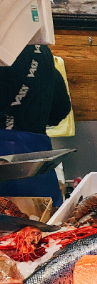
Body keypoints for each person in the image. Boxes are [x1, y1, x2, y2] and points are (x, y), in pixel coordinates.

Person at [0, 44, 72, 206]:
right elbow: (60, 110)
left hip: (31, 163)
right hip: (34, 169)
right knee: (42, 227)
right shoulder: (40, 51)